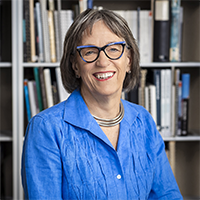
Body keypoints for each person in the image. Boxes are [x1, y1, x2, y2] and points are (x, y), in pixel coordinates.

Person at [21, 8, 183, 200]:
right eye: (90, 52)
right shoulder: (46, 129)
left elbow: (167, 196)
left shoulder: (143, 120)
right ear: (75, 65)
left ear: (129, 61)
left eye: (114, 49)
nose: (103, 61)